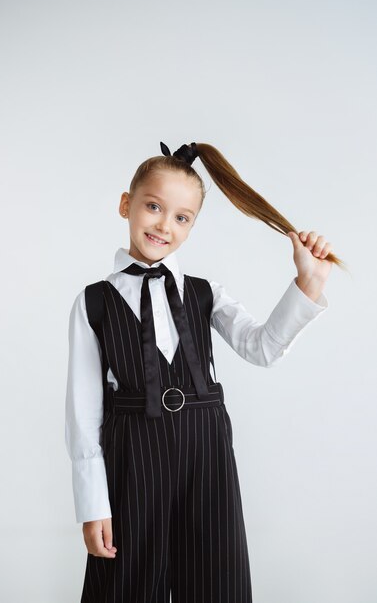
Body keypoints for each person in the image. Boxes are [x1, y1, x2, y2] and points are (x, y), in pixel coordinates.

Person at [65, 141, 342, 603]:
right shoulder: (93, 301)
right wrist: (92, 505)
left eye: (181, 217)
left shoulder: (205, 292)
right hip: (133, 458)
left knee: (217, 580)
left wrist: (307, 283)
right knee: (127, 583)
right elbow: (82, 411)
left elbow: (262, 348)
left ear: (192, 225)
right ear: (125, 204)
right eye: (153, 206)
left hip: (206, 454)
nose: (163, 225)